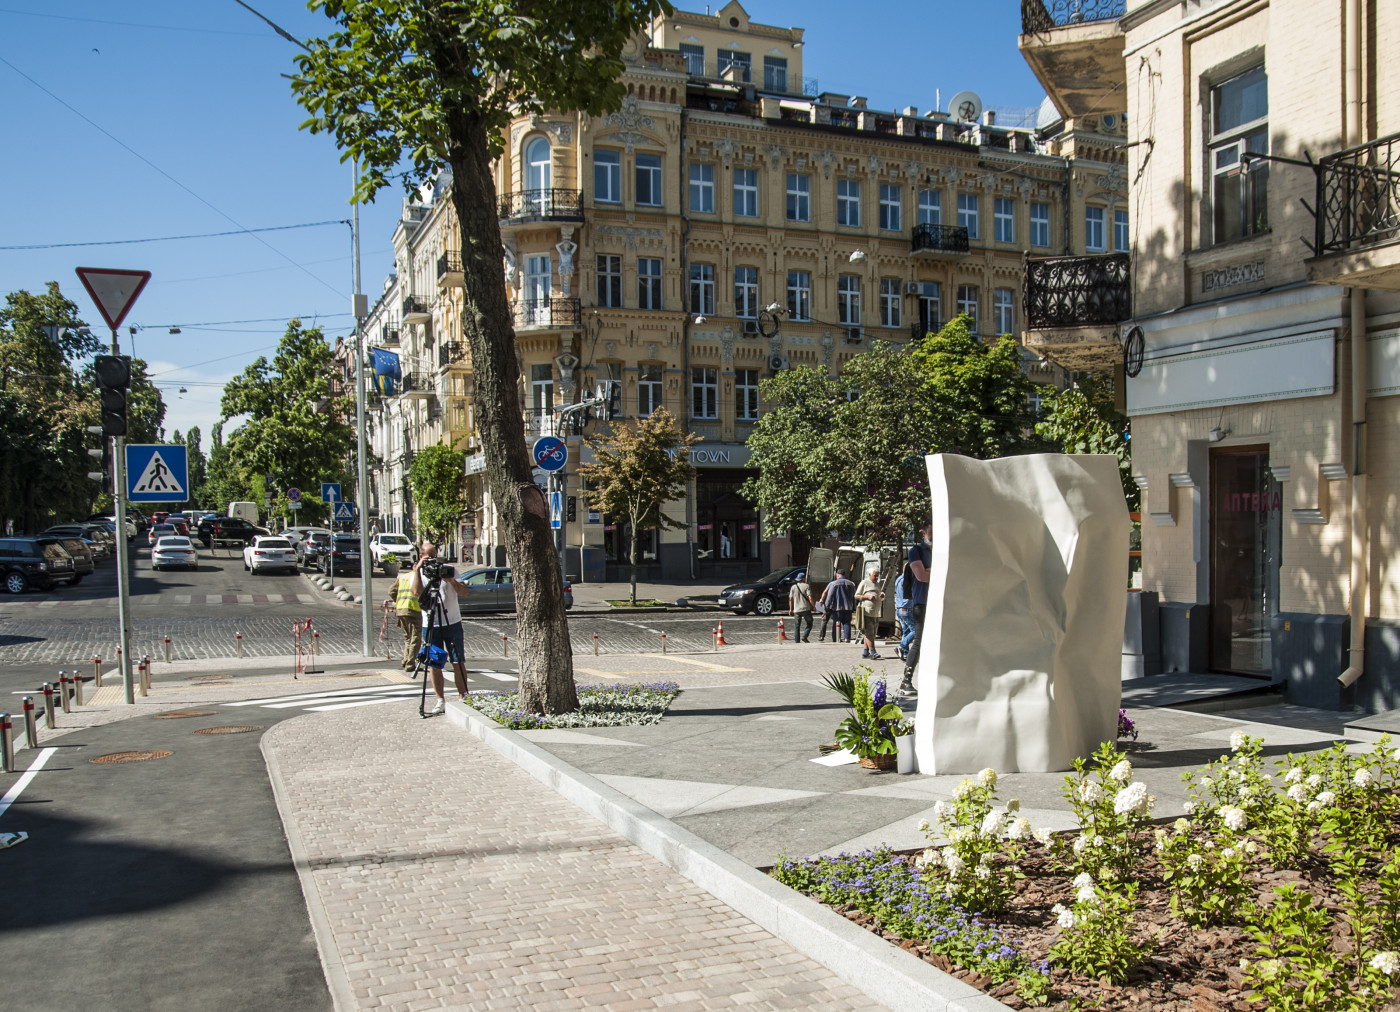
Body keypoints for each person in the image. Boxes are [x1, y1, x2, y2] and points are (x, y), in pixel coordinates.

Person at [409, 541, 472, 714]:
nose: (434, 561)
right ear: (421, 556)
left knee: (457, 660)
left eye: (435, 556)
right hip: (431, 624)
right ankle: (440, 700)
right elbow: (416, 593)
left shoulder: (448, 569)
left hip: (452, 622)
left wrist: (451, 580)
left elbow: (464, 592)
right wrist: (417, 570)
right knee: (434, 664)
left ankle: (463, 696)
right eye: (429, 557)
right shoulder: (420, 572)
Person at [900, 522, 933, 697]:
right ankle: (906, 681)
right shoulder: (916, 551)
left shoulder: (941, 551)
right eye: (931, 532)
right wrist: (934, 571)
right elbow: (921, 576)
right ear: (923, 533)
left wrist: (930, 571)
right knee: (919, 641)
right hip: (922, 603)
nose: (935, 535)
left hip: (939, 601)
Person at [392, 567, 423, 671]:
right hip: (414, 609)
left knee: (408, 638)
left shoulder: (402, 577)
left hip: (401, 609)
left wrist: (398, 600)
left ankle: (405, 660)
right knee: (415, 638)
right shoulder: (419, 577)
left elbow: (391, 591)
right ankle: (410, 664)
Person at [854, 565, 884, 659]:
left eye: (877, 575)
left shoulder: (877, 584)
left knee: (871, 633)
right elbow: (856, 595)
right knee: (869, 633)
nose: (876, 577)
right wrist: (867, 597)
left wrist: (882, 596)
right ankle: (873, 652)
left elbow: (879, 595)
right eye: (875, 575)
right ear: (869, 574)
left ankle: (865, 651)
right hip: (866, 612)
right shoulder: (864, 582)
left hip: (875, 612)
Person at [821, 569, 855, 646]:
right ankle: (847, 638)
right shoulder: (851, 584)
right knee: (847, 623)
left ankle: (836, 639)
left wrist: (826, 608)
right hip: (848, 607)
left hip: (837, 608)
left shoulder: (834, 584)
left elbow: (829, 597)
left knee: (836, 623)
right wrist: (853, 607)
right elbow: (854, 596)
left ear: (837, 575)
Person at [893, 561, 915, 661]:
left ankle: (905, 653)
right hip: (906, 608)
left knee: (906, 631)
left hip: (899, 608)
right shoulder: (907, 580)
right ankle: (901, 646)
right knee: (916, 631)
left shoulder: (898, 579)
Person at [788, 572, 815, 643]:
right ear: (803, 578)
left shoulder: (793, 587)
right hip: (806, 608)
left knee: (797, 626)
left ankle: (797, 642)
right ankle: (804, 636)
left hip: (796, 610)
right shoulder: (806, 586)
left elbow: (790, 599)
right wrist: (813, 606)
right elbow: (810, 597)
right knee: (810, 623)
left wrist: (791, 609)